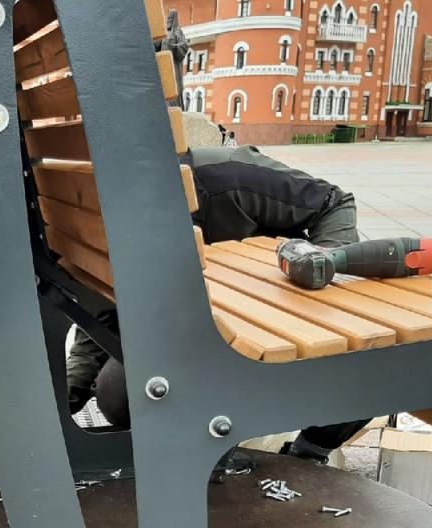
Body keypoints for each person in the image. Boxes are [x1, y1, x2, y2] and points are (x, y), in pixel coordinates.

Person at [67, 144, 369, 467]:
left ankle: (307, 455)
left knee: (375, 357)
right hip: (205, 328)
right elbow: (99, 327)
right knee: (118, 391)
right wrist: (63, 402)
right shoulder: (112, 222)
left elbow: (334, 202)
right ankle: (206, 451)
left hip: (285, 311)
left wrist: (316, 282)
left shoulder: (228, 176)